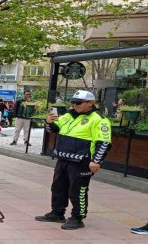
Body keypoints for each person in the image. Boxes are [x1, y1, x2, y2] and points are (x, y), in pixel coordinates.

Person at [36, 90, 112, 230]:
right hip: (63, 157)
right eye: (73, 102)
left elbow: (104, 142)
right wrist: (48, 122)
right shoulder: (69, 115)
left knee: (78, 191)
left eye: (78, 102)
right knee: (58, 187)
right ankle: (57, 213)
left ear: (90, 103)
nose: (74, 105)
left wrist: (97, 161)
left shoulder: (99, 119)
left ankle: (78, 217)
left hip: (82, 161)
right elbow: (54, 129)